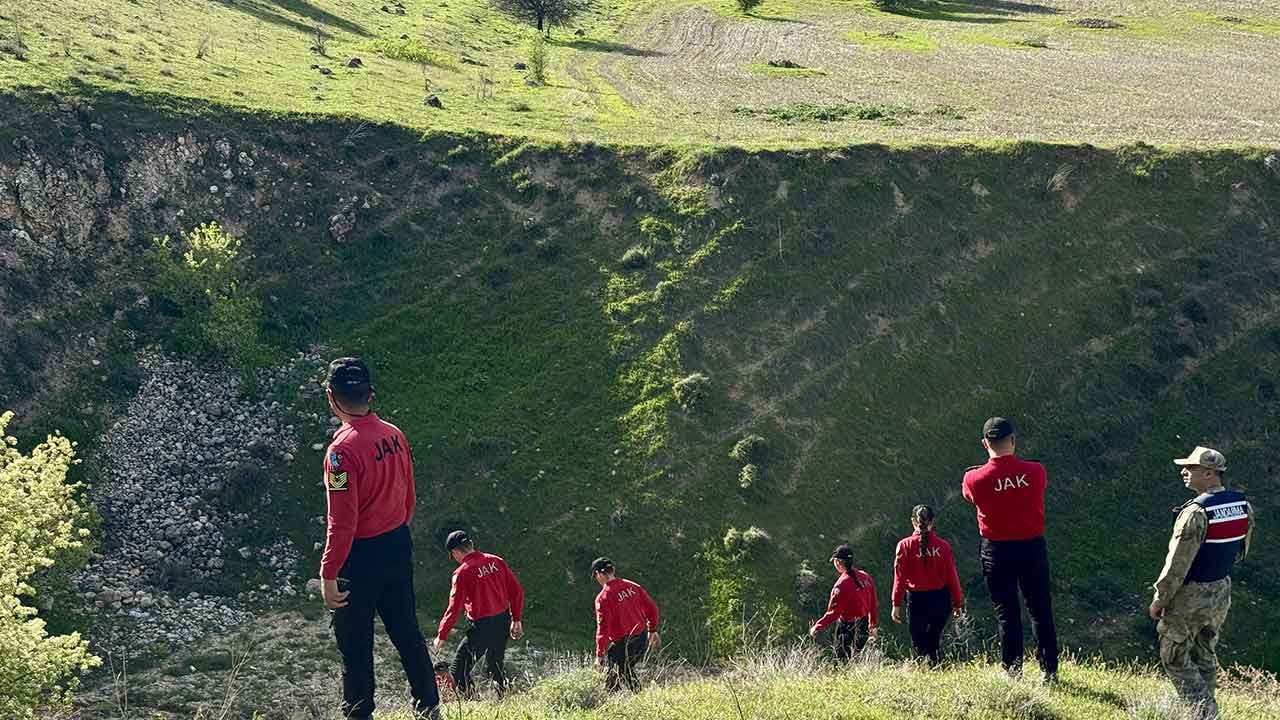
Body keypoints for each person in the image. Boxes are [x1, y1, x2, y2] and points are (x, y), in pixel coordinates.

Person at [318, 357, 439, 719]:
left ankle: (359, 713)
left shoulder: (340, 453)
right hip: (397, 544)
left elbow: (342, 521)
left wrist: (328, 573)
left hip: (360, 556)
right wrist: (395, 529)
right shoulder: (394, 435)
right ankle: (429, 705)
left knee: (355, 645)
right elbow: (409, 497)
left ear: (331, 397)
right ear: (370, 395)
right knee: (407, 632)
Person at [1150, 446, 1253, 720]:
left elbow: (1177, 564)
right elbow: (1242, 550)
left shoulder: (1195, 512)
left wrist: (1161, 598)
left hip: (1191, 594)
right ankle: (1202, 710)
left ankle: (1204, 712)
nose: (1184, 472)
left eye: (1191, 468)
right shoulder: (1242, 505)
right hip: (1221, 588)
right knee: (1204, 651)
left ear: (1209, 473)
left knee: (1173, 653)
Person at [961, 416, 1059, 682]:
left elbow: (970, 494)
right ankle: (1049, 669)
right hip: (1032, 548)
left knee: (1007, 612)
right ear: (1013, 440)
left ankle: (1012, 669)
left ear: (985, 444)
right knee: (1040, 609)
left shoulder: (974, 479)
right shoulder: (1036, 472)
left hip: (997, 551)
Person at [434, 530, 525, 698]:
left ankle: (471, 704)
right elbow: (516, 591)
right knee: (495, 665)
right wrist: (516, 619)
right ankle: (503, 701)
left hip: (481, 628)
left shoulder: (462, 573)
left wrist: (442, 634)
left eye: (453, 555)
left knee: (459, 669)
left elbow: (454, 608)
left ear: (455, 552)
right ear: (470, 545)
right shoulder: (496, 561)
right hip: (503, 621)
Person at [891, 505, 965, 666]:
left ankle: (922, 668)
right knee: (933, 637)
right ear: (932, 522)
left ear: (912, 522)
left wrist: (896, 603)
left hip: (916, 600)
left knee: (918, 639)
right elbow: (952, 577)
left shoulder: (904, 546)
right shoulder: (943, 546)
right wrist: (957, 603)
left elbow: (900, 578)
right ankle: (934, 666)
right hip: (940, 599)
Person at [591, 557, 660, 692]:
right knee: (616, 674)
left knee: (621, 671)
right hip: (641, 640)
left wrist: (599, 656)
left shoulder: (603, 598)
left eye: (595, 576)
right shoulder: (632, 586)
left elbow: (603, 631)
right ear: (613, 570)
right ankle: (614, 701)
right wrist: (652, 630)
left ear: (599, 574)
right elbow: (652, 608)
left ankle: (640, 700)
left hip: (623, 645)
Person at [808, 545, 878, 661]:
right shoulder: (866, 577)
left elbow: (834, 613)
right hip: (864, 625)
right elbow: (873, 603)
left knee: (842, 662)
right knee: (858, 660)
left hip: (847, 627)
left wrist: (817, 626)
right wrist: (873, 624)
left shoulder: (840, 586)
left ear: (839, 562)